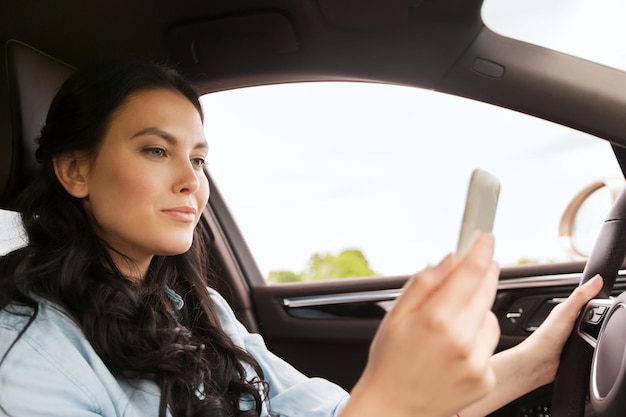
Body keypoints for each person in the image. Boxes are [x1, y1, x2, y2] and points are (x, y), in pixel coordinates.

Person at [0, 59, 602, 417]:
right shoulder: (27, 357)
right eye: (156, 150)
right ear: (74, 170)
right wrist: (388, 401)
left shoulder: (195, 309)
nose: (191, 180)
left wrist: (534, 361)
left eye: (201, 158)